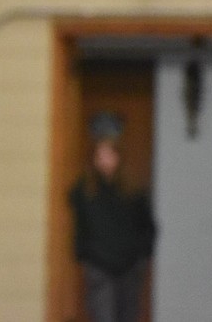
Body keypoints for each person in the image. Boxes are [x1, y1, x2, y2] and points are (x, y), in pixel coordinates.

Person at [68, 137, 157, 322]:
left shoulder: (134, 192)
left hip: (130, 264)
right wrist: (84, 255)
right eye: (100, 156)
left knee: (128, 314)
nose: (105, 161)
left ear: (118, 157)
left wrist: (142, 254)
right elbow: (80, 227)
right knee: (103, 314)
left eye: (109, 155)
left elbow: (147, 226)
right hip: (99, 264)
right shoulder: (85, 192)